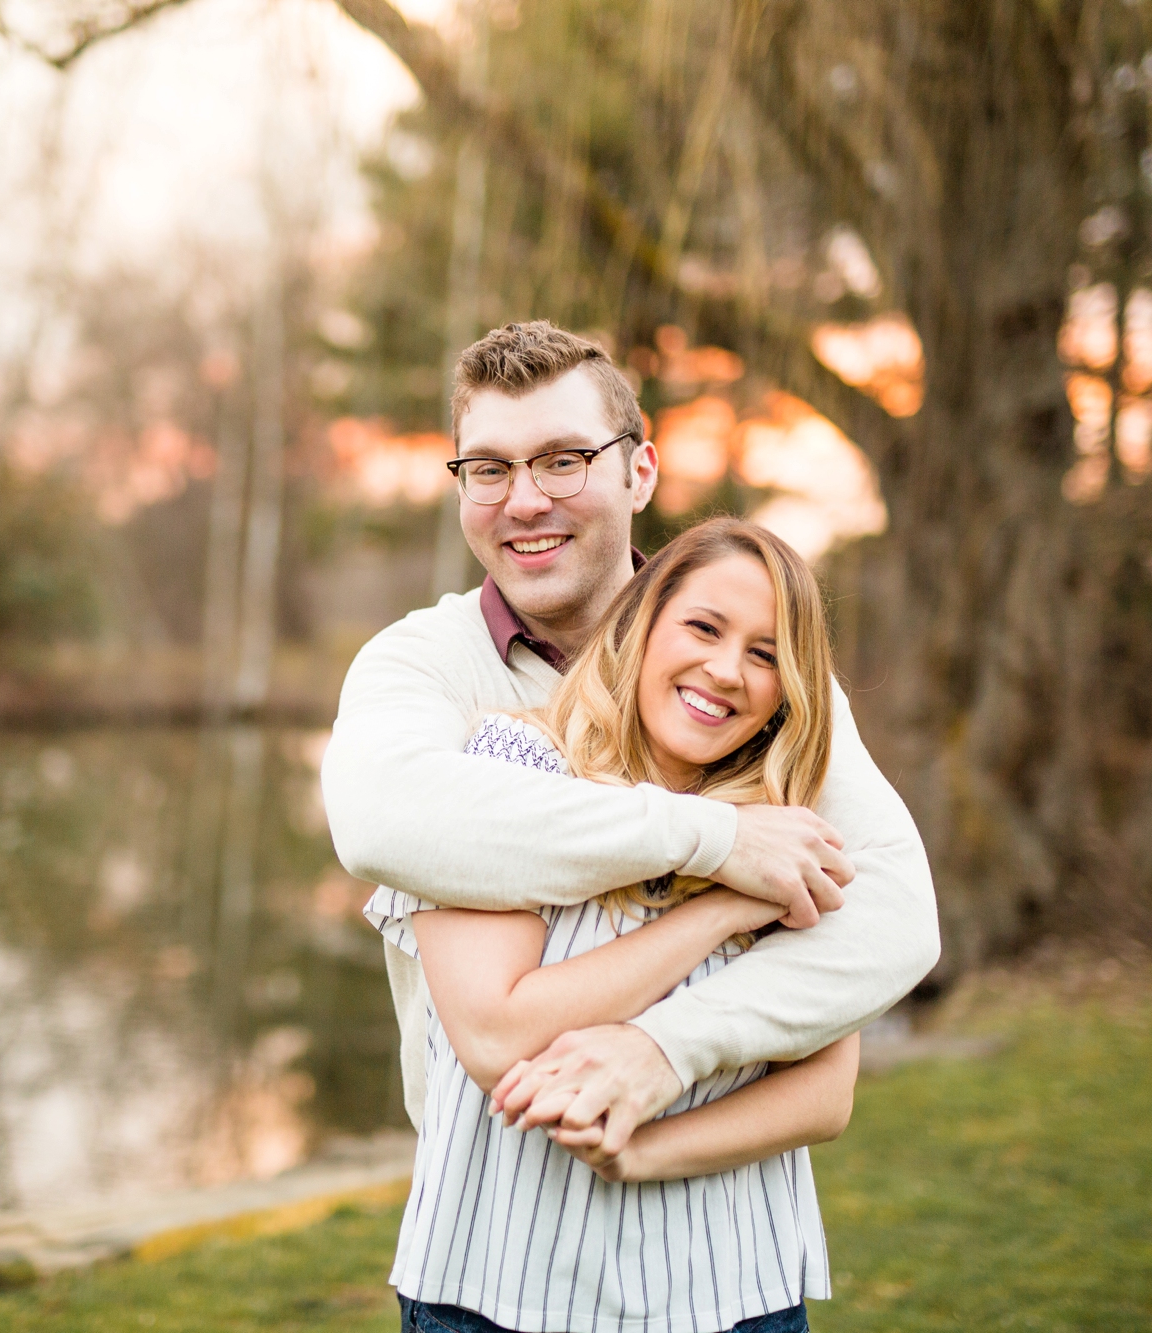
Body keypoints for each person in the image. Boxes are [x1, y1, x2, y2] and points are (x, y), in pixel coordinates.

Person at [320, 319, 935, 1177]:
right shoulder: (424, 663)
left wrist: (663, 1048)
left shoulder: (750, 682)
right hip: (491, 1215)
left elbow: (897, 913)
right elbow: (383, 821)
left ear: (639, 470)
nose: (525, 499)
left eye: (564, 459)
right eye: (490, 468)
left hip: (730, 1238)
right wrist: (716, 844)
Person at [366, 516, 858, 1332]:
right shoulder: (510, 765)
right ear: (641, 621)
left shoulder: (792, 825)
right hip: (498, 1296)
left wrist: (642, 1153)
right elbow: (495, 1033)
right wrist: (724, 905)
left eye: (767, 653)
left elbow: (824, 1093)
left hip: (739, 1300)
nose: (726, 669)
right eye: (703, 626)